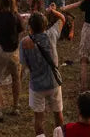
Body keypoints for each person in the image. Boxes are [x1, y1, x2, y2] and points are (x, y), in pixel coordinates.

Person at [20, 7, 66, 137]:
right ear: (45, 25)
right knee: (58, 113)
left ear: (31, 27)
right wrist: (53, 11)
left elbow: (24, 64)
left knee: (38, 118)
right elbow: (62, 18)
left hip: (36, 84)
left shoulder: (24, 42)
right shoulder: (51, 34)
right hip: (53, 82)